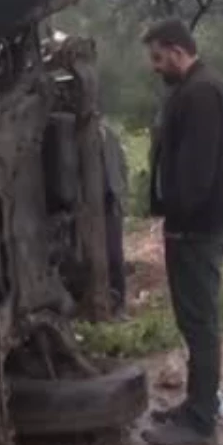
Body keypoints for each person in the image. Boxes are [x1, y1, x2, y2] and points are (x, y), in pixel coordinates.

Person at [139, 17, 223, 445]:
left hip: (197, 230)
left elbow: (197, 174)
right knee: (193, 319)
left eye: (158, 57)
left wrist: (178, 218)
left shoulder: (201, 93)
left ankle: (200, 420)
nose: (155, 66)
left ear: (178, 51)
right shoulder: (195, 89)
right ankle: (196, 402)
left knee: (200, 321)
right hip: (192, 227)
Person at [99, 118, 130, 320]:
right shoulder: (106, 132)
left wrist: (121, 196)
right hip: (92, 205)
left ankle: (118, 306)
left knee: (114, 257)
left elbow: (121, 168)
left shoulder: (107, 133)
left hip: (110, 203)